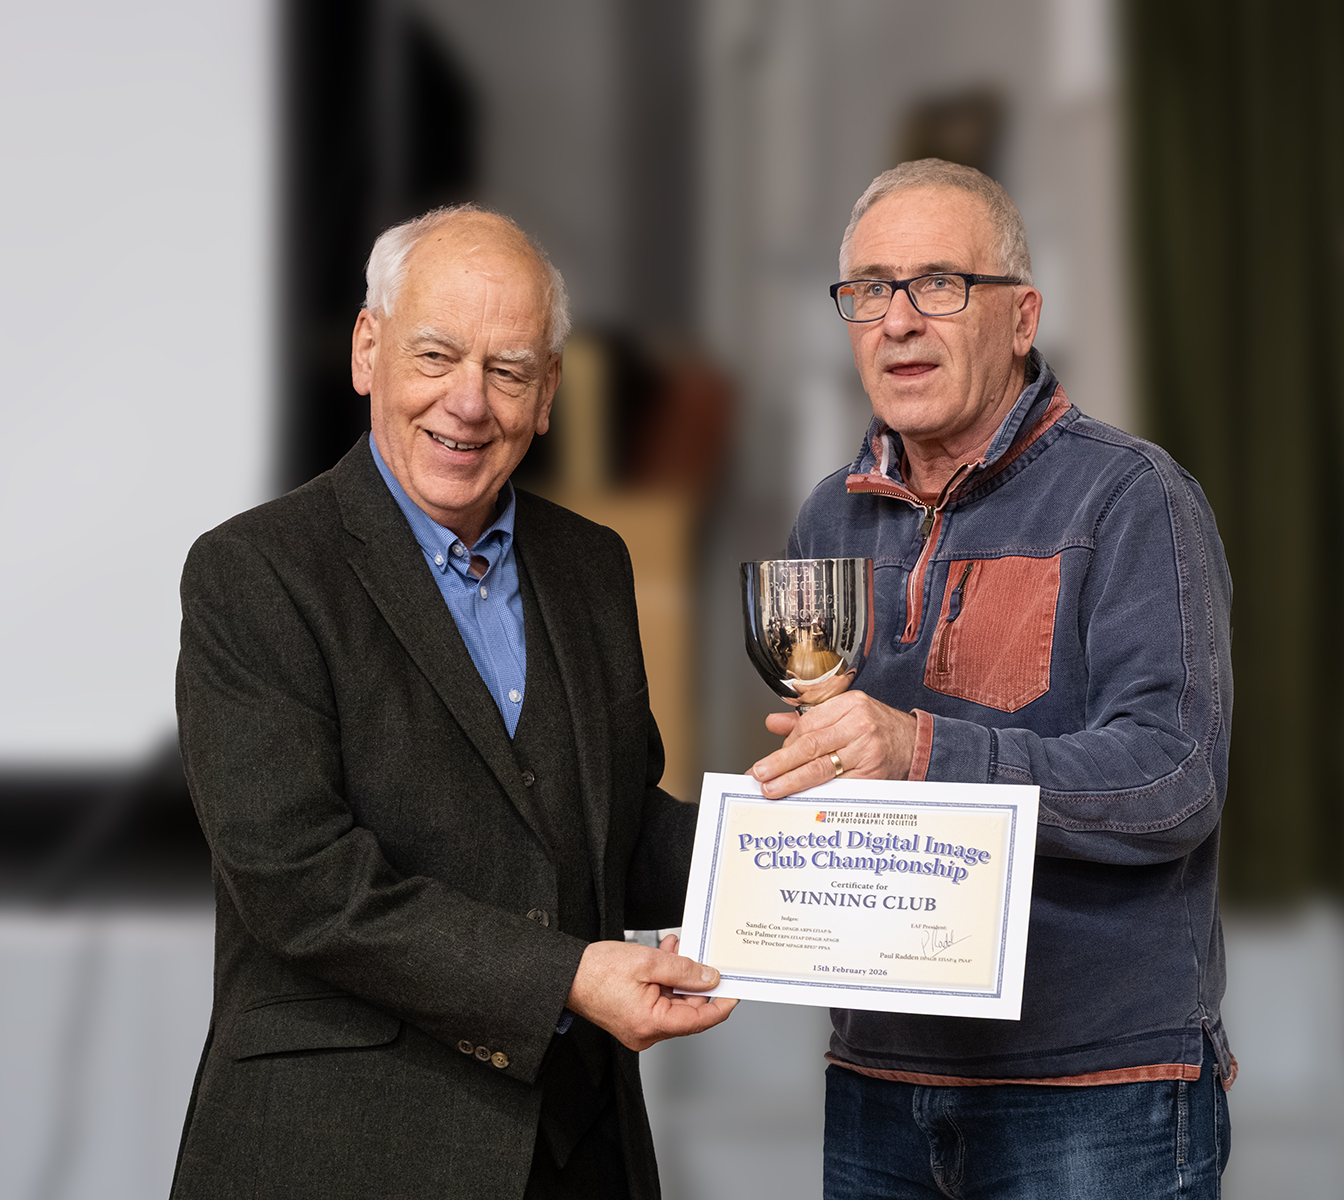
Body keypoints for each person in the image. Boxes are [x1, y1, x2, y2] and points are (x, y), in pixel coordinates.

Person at [170, 204, 735, 1200]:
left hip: (577, 1153)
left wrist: (802, 856)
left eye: (508, 371)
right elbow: (302, 882)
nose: (468, 403)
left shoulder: (592, 567)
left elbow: (615, 833)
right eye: (436, 356)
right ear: (368, 351)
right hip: (342, 1155)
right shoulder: (253, 572)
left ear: (547, 393)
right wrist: (566, 978)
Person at [751, 159, 1233, 1198]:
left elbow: (1174, 778)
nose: (898, 320)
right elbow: (836, 776)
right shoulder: (830, 515)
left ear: (1022, 317)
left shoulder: (1131, 498)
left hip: (1097, 1093)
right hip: (878, 1080)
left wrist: (924, 750)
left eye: (939, 284)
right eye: (870, 288)